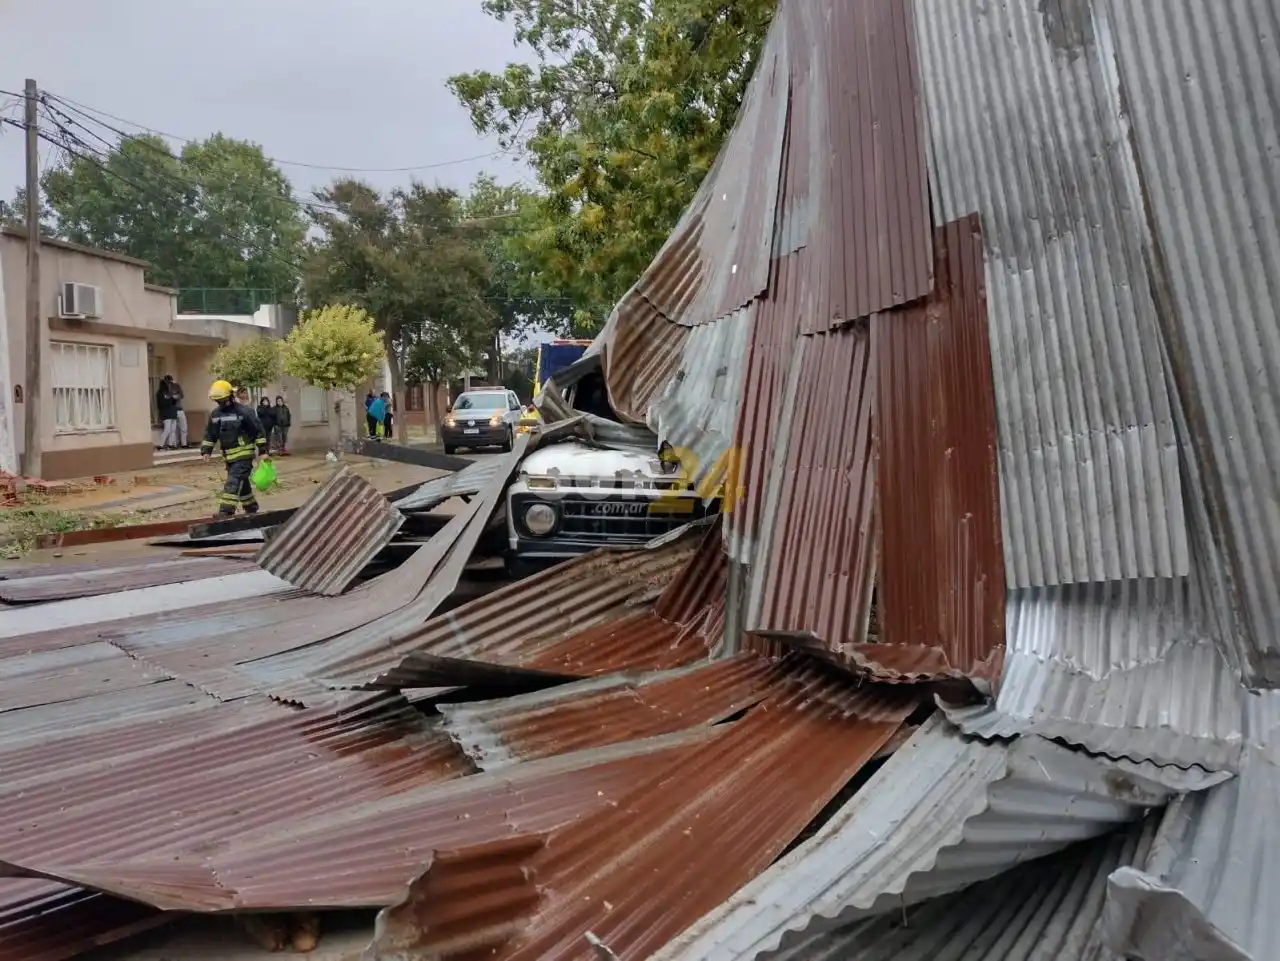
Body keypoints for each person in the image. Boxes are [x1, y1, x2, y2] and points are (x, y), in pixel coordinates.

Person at [201, 380, 268, 516]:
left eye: (223, 400)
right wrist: (206, 450)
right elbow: (210, 433)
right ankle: (251, 507)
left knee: (233, 481)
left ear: (231, 396)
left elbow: (259, 431)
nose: (221, 403)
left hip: (244, 455)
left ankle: (226, 511)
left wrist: (263, 452)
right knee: (242, 482)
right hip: (229, 457)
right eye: (218, 401)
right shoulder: (215, 414)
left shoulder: (244, 412)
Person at [163, 375, 189, 447]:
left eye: (170, 381)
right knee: (172, 429)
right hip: (171, 410)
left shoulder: (176, 386)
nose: (169, 383)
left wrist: (174, 396)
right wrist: (172, 396)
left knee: (184, 427)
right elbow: (166, 398)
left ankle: (184, 444)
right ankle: (172, 444)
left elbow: (181, 395)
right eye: (168, 382)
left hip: (179, 409)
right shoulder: (164, 389)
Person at [156, 381, 179, 449]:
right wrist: (170, 398)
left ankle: (170, 444)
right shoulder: (159, 394)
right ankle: (161, 444)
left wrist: (173, 397)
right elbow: (162, 404)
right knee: (167, 429)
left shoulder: (169, 393)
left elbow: (174, 402)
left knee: (172, 430)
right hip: (166, 414)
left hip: (172, 413)